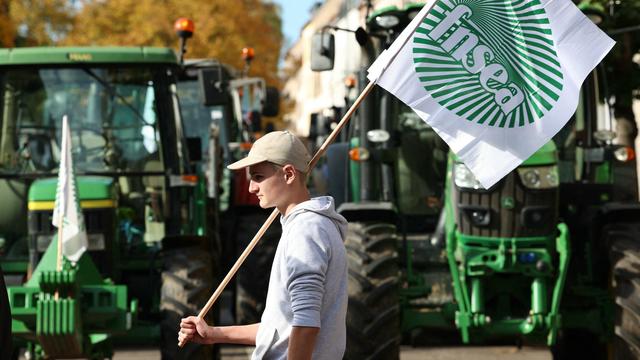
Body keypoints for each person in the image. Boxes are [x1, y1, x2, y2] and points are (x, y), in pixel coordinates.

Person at [178, 130, 348, 360]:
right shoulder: (309, 226)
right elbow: (280, 330)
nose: (251, 188)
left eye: (258, 177)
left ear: (288, 174)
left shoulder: (306, 231)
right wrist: (213, 333)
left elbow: (306, 325)